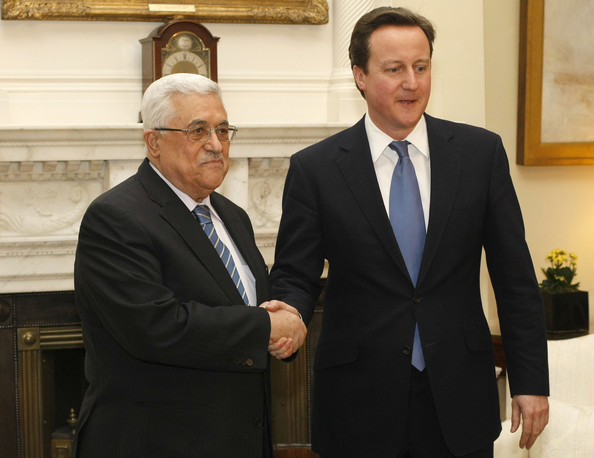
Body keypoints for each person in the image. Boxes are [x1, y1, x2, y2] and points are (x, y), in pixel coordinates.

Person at [270, 7, 549, 458]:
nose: (412, 83)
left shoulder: (480, 154)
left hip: (460, 398)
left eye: (421, 67)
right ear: (360, 76)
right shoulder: (316, 169)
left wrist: (530, 380)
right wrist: (287, 316)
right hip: (358, 403)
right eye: (394, 69)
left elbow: (514, 278)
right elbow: (294, 274)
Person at [73, 73, 306, 458]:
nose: (215, 144)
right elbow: (155, 327)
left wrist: (284, 330)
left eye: (223, 130)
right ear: (154, 142)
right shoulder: (116, 217)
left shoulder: (233, 216)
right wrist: (266, 327)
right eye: (198, 131)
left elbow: (249, 308)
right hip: (155, 443)